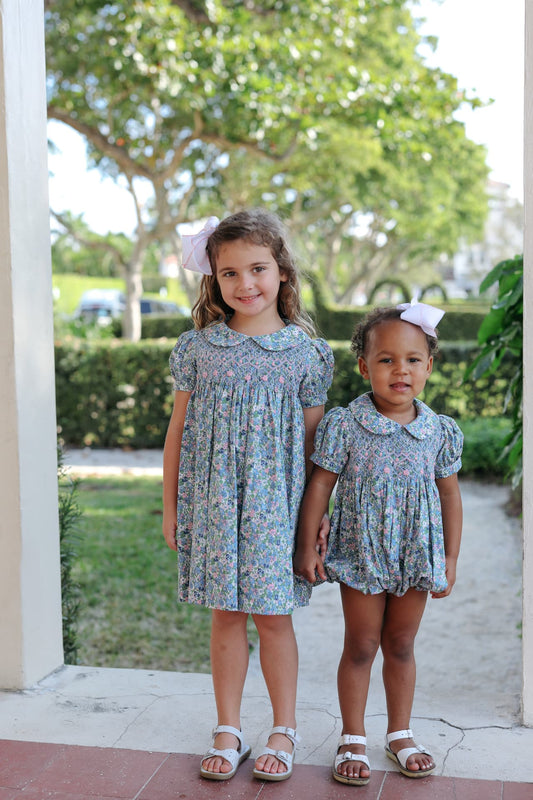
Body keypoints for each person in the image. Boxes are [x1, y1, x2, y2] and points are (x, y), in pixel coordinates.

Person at [162, 209, 333, 782]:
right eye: (229, 273)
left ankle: (284, 726)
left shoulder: (304, 355)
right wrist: (171, 507)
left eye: (257, 268)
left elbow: (318, 450)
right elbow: (178, 434)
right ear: (214, 279)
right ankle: (229, 726)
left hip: (276, 509)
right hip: (212, 503)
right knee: (226, 613)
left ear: (282, 271)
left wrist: (315, 520)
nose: (245, 284)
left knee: (272, 615)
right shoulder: (198, 350)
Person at [294, 302, 463, 785]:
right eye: (386, 360)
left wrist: (449, 558)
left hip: (415, 556)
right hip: (363, 553)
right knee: (363, 644)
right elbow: (320, 487)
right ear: (364, 366)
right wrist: (308, 547)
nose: (400, 370)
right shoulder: (346, 425)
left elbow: (450, 496)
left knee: (402, 644)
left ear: (428, 366)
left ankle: (400, 733)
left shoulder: (439, 432)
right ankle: (352, 736)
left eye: (412, 359)